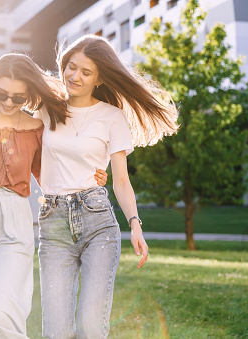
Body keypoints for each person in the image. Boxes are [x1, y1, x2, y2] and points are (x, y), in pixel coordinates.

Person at [0, 53, 107, 338]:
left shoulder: (35, 129)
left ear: (29, 96)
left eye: (18, 97)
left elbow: (52, 174)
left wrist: (92, 177)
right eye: (2, 95)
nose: (9, 103)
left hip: (14, 218)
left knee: (2, 310)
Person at [35, 34, 179, 338]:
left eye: (86, 72)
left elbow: (122, 182)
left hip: (97, 221)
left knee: (90, 325)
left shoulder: (111, 117)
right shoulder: (45, 109)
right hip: (54, 224)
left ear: (99, 78)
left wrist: (135, 225)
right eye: (71, 67)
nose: (74, 76)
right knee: (55, 332)